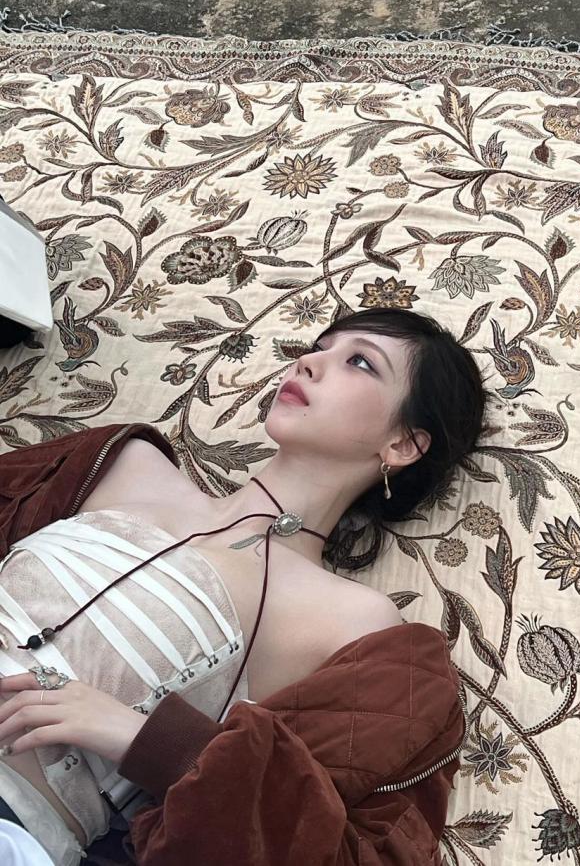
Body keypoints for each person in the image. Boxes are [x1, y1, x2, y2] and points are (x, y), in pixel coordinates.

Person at [0, 307, 488, 864]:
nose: (308, 362)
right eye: (319, 347)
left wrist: (152, 741)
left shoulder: (356, 625)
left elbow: (337, 847)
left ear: (402, 444)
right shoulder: (123, 460)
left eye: (359, 362)